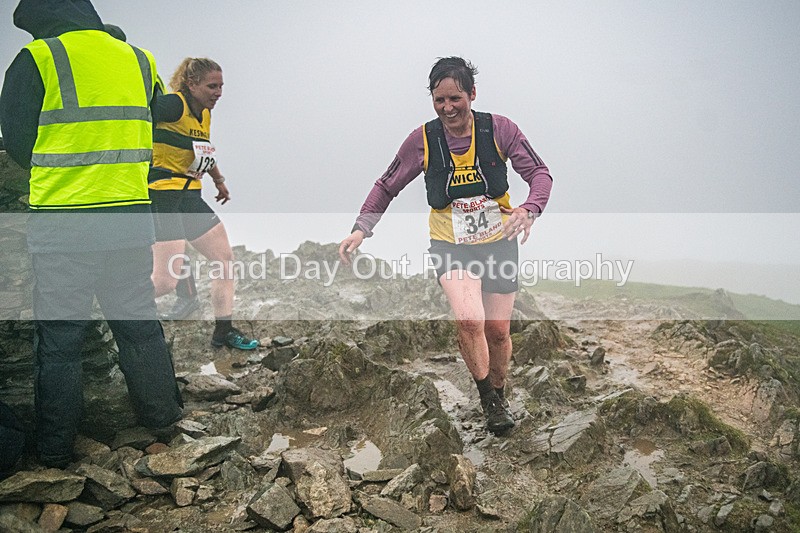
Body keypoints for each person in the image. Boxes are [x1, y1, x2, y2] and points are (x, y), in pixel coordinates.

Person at [0, 0, 183, 467]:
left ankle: (55, 450)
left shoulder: (39, 58)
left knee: (60, 339)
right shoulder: (140, 59)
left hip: (64, 222)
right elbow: (160, 110)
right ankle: (163, 420)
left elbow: (19, 144)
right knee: (138, 323)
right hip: (128, 216)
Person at [339, 57, 553, 435]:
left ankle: (499, 391)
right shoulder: (421, 140)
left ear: (472, 94)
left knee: (498, 331)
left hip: (499, 242)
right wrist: (361, 229)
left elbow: (539, 173)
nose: (448, 108)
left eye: (455, 98)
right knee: (469, 319)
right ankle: (489, 401)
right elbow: (387, 185)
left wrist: (530, 208)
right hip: (450, 243)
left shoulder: (500, 129)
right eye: (439, 100)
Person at [148, 57, 258, 350]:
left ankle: (223, 332)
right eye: (212, 86)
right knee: (165, 281)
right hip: (164, 195)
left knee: (224, 260)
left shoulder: (205, 114)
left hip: (190, 196)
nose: (218, 93)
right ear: (191, 84)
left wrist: (218, 180)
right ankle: (114, 310)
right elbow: (138, 115)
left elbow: (202, 150)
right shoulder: (173, 105)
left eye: (221, 86)